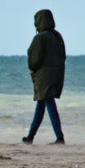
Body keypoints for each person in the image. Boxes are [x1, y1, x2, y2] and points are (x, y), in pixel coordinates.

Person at [22, 8, 67, 142]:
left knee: (49, 104)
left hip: (44, 77)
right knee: (41, 105)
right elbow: (63, 56)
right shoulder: (57, 36)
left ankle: (60, 137)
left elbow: (34, 61)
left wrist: (33, 69)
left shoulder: (40, 38)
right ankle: (30, 136)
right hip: (57, 74)